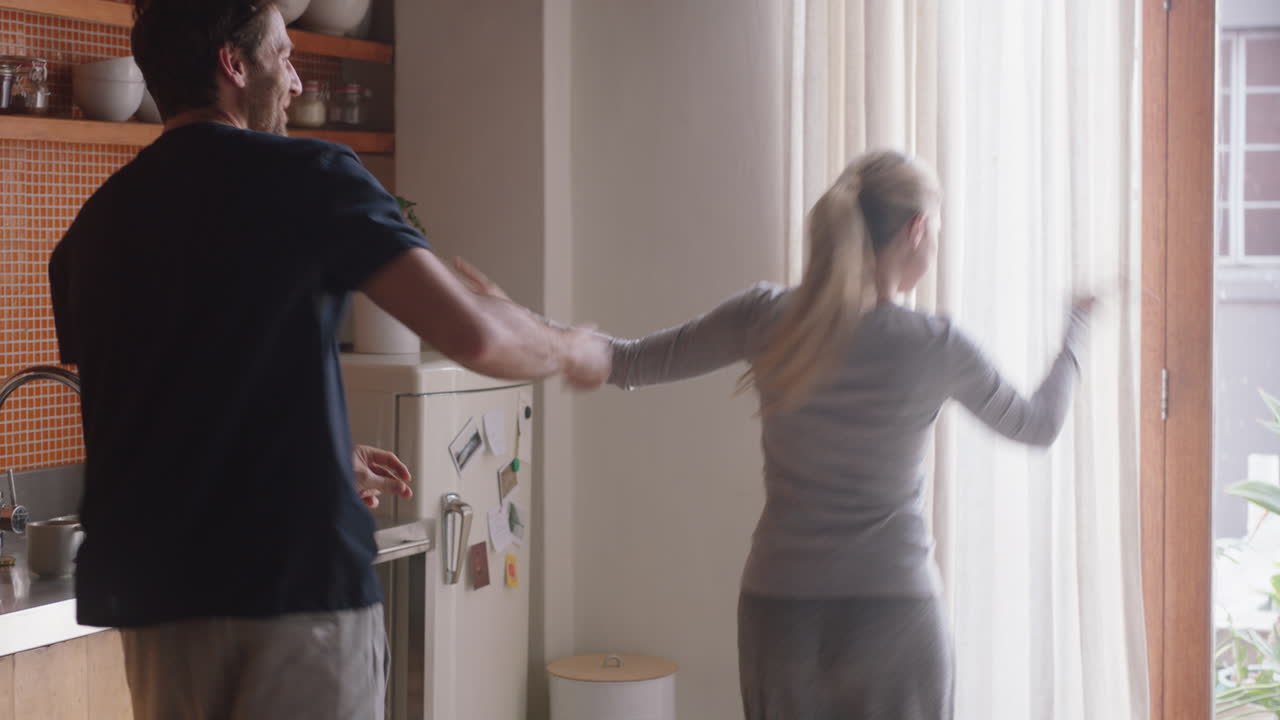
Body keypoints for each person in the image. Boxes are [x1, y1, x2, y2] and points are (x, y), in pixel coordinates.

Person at [47, 1, 609, 718]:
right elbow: (478, 339)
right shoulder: (310, 174)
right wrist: (572, 346)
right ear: (233, 62)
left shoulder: (92, 231)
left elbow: (160, 413)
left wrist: (314, 455)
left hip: (160, 612)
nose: (296, 81)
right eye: (283, 55)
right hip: (295, 595)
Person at [463, 149, 1094, 719]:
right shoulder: (936, 346)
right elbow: (1038, 425)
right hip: (894, 615)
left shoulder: (767, 316)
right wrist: (1075, 331)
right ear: (917, 231)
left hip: (780, 611)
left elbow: (624, 362)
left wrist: (517, 320)